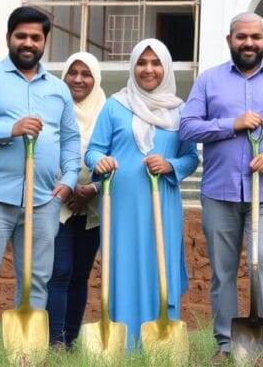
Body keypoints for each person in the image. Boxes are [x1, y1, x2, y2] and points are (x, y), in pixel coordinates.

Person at [180, 12, 263, 362]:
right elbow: (188, 127)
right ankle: (225, 343)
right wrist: (231, 124)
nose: (249, 43)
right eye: (241, 37)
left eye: (255, 37)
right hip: (218, 192)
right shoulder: (208, 81)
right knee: (222, 269)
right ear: (230, 40)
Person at [0, 6, 81, 356]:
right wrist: (8, 130)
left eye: (35, 37)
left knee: (37, 277)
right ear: (9, 37)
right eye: (21, 36)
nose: (28, 43)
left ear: (45, 42)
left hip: (42, 199)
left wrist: (69, 178)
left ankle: (27, 349)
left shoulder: (58, 89)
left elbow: (71, 139)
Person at [84, 39, 198, 348]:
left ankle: (161, 338)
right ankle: (125, 340)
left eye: (156, 62)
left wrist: (169, 164)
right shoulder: (115, 106)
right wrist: (100, 161)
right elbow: (93, 151)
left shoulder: (180, 111)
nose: (148, 69)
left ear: (166, 67)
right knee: (123, 263)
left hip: (162, 201)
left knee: (161, 263)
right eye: (142, 63)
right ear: (133, 66)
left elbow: (191, 158)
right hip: (121, 203)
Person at [46, 51, 105, 349]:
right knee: (59, 271)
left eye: (86, 73)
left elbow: (115, 154)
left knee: (80, 274)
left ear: (96, 78)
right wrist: (67, 187)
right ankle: (54, 340)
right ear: (64, 75)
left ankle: (71, 340)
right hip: (57, 202)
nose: (78, 79)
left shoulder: (106, 111)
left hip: (93, 205)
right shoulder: (52, 107)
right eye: (73, 72)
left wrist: (92, 189)